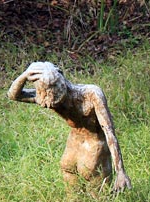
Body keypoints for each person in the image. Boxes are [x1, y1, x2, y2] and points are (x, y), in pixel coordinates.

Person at [8, 62, 132, 193]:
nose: (50, 104)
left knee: (98, 200)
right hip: (73, 145)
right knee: (72, 196)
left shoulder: (91, 94)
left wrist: (120, 171)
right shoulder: (47, 96)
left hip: (95, 146)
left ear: (61, 81)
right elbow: (13, 95)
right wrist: (24, 76)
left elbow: (109, 131)